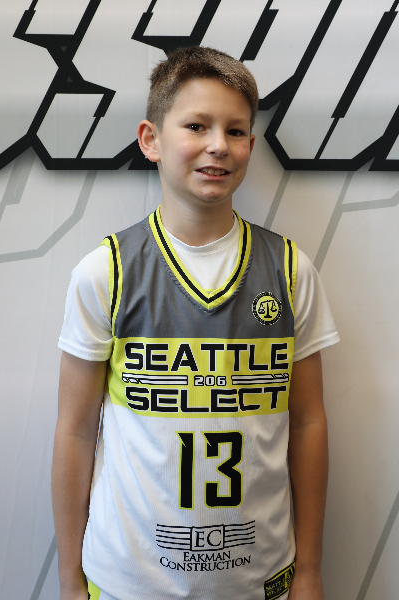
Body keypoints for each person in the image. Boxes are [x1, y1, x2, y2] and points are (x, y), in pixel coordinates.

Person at [52, 46, 339, 600]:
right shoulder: (105, 272)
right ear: (151, 139)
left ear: (250, 144)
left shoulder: (289, 270)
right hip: (127, 580)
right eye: (196, 126)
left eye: (235, 130)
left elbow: (308, 422)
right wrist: (69, 580)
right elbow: (75, 431)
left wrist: (309, 568)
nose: (218, 145)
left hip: (258, 577)